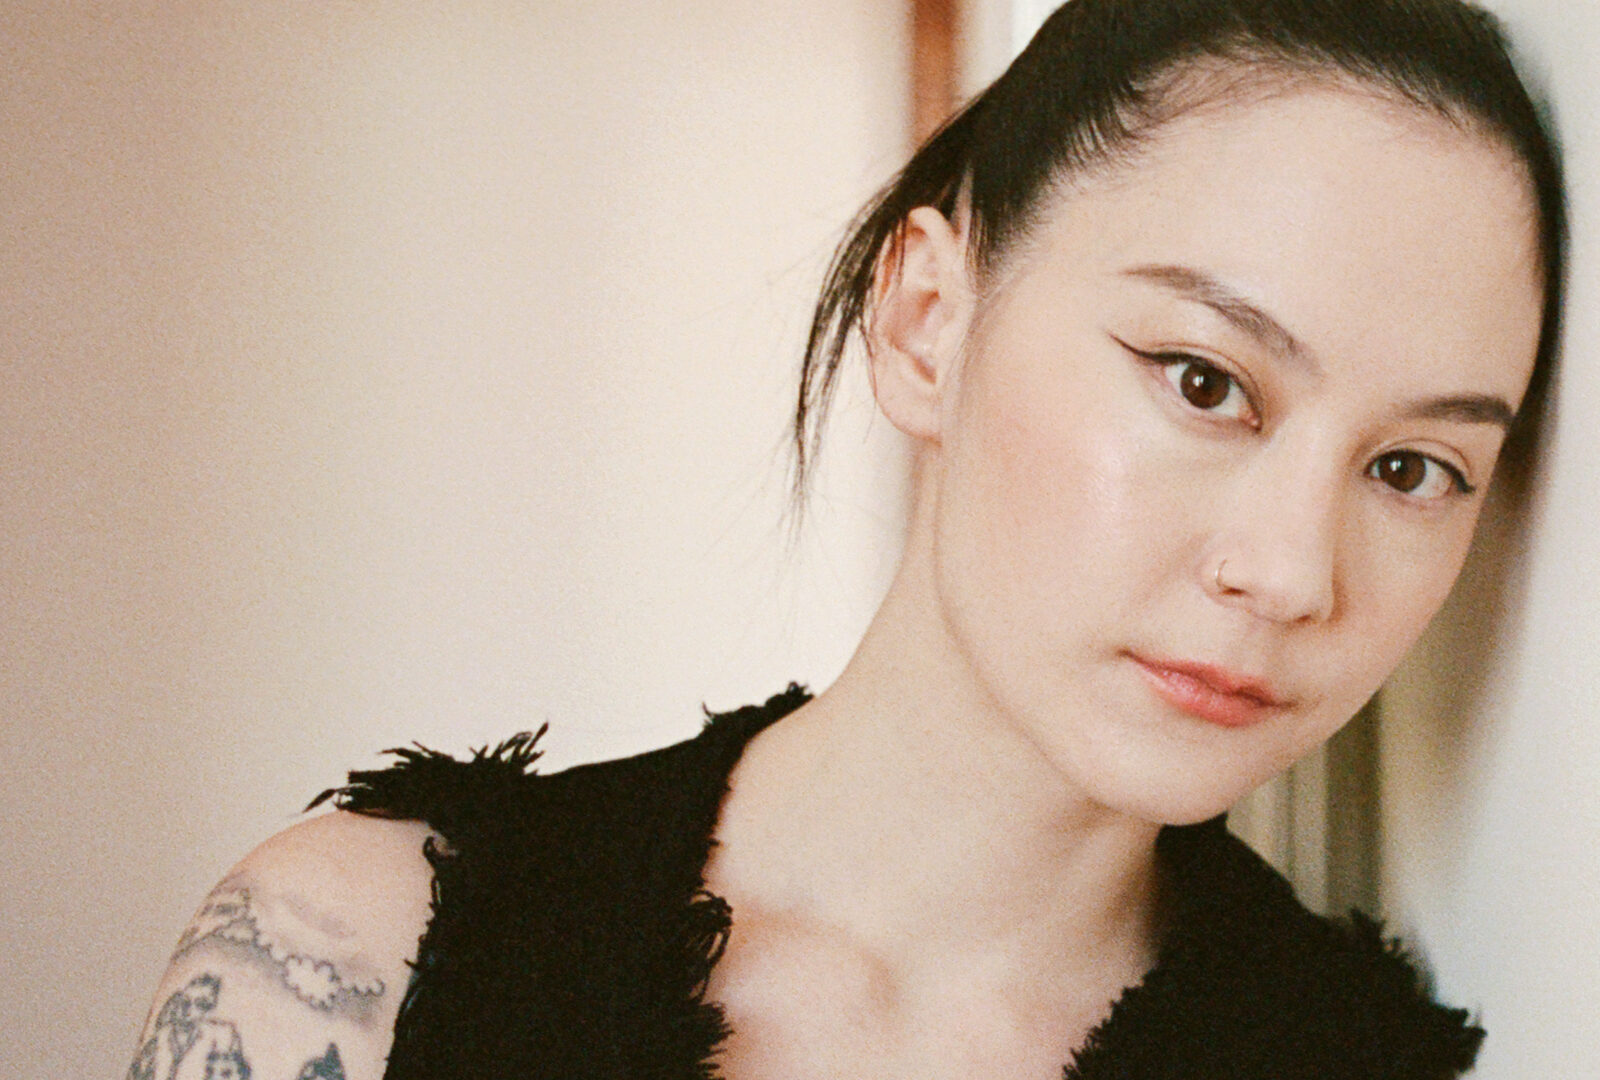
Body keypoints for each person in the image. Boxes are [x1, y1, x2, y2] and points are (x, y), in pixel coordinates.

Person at [127, 0, 1565, 1077]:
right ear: (928, 321)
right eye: (1204, 382)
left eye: (1412, 467)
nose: (1294, 574)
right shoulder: (349, 962)